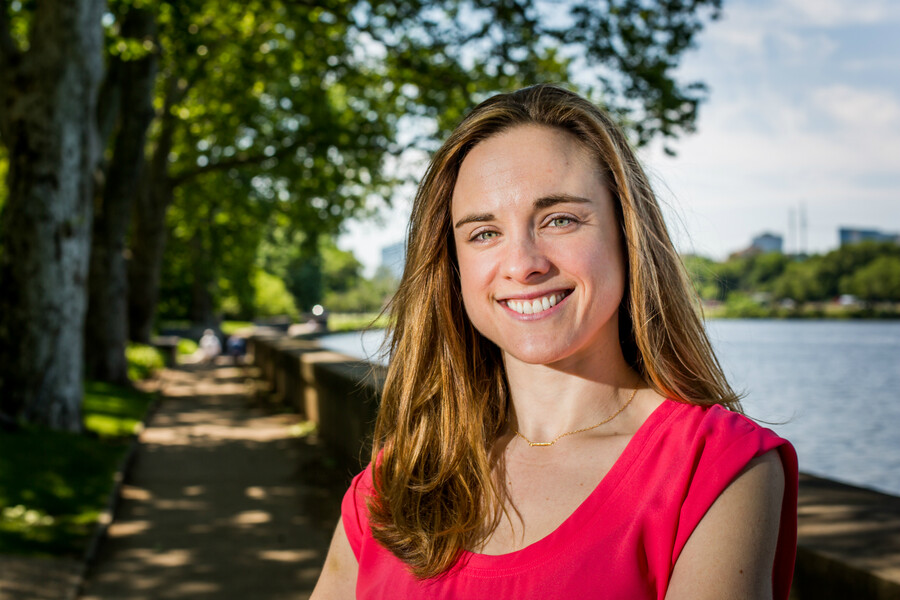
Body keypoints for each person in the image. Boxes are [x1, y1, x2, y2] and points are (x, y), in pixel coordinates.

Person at [311, 84, 798, 600]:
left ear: (626, 235)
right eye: (483, 233)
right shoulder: (396, 481)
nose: (523, 263)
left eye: (560, 219)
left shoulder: (713, 467)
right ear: (452, 269)